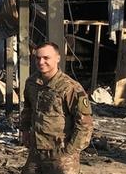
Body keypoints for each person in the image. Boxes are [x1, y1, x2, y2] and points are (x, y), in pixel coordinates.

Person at [20, 42, 93, 174]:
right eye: (38, 58)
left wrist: (69, 151)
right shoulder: (31, 82)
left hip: (60, 153)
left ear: (57, 58)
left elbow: (85, 124)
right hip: (37, 151)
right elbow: (28, 108)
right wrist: (25, 130)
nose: (41, 62)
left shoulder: (70, 87)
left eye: (46, 58)